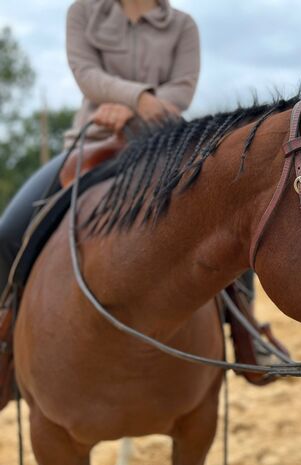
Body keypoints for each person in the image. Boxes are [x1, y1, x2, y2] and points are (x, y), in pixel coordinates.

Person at [0, 0, 200, 297]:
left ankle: (245, 331)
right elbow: (86, 74)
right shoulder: (82, 12)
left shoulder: (183, 25)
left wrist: (132, 110)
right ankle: (7, 328)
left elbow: (183, 88)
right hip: (93, 142)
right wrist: (140, 99)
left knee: (232, 210)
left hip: (163, 144)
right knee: (8, 235)